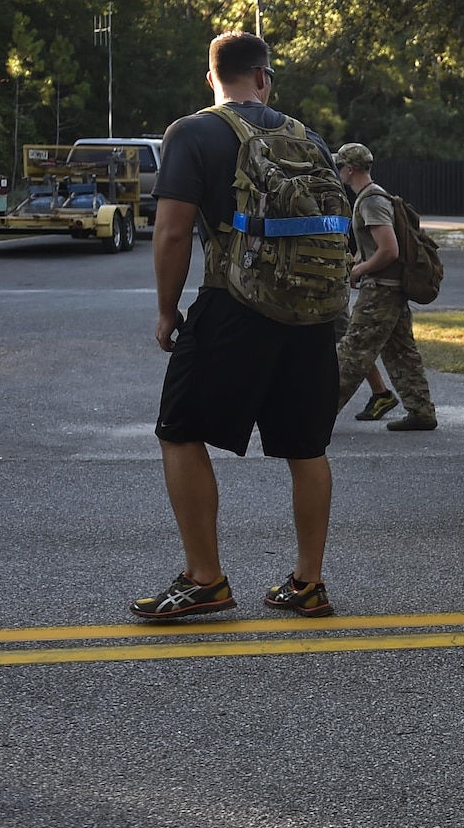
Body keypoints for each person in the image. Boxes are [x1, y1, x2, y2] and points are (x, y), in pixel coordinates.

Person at [136, 31, 342, 619]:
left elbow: (173, 230)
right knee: (306, 446)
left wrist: (168, 309)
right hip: (310, 312)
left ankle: (205, 578)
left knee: (179, 428)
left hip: (235, 305)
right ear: (264, 77)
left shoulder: (193, 132)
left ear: (211, 79)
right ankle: (308, 582)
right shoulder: (310, 139)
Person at [332, 143, 437, 431]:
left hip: (381, 291)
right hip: (389, 289)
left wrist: (360, 271)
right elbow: (371, 246)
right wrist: (358, 262)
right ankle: (421, 411)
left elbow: (388, 250)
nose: (339, 170)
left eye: (340, 166)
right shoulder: (371, 197)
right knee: (401, 351)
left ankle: (317, 415)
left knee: (353, 352)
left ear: (349, 169)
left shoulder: (371, 201)